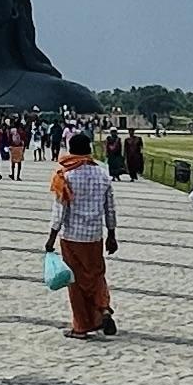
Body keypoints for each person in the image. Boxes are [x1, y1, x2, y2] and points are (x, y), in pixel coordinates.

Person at [49, 131, 119, 339]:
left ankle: (81, 326)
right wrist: (112, 234)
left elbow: (60, 210)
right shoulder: (103, 175)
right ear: (89, 150)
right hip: (94, 236)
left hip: (72, 236)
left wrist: (51, 237)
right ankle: (103, 308)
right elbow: (110, 209)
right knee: (96, 275)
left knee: (76, 281)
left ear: (71, 150)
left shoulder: (66, 175)